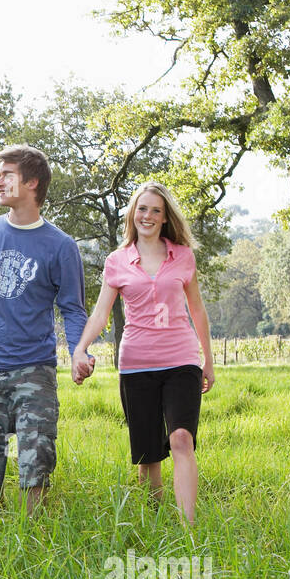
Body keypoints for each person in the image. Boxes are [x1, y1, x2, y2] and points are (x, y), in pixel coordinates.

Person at [0, 145, 88, 515]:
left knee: (36, 453)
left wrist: (79, 351)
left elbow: (72, 308)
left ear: (31, 182)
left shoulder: (60, 246)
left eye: (6, 174)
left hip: (35, 367)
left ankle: (31, 531)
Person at [72, 180, 216, 523]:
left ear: (165, 218)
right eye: (142, 209)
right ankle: (154, 521)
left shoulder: (183, 257)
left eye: (156, 210)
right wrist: (80, 348)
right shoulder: (117, 261)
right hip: (136, 365)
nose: (148, 216)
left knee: (181, 438)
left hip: (182, 361)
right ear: (132, 214)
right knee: (148, 456)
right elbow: (100, 314)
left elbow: (198, 310)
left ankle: (188, 528)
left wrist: (208, 360)